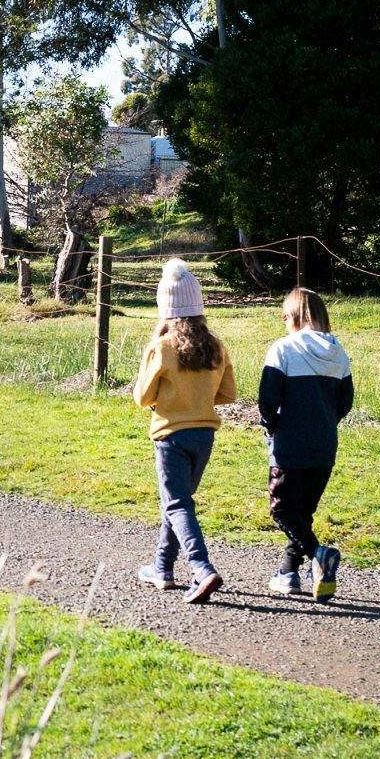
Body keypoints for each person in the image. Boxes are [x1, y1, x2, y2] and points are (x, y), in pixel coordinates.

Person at [132, 258, 238, 603]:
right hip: (204, 435)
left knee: (176, 505)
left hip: (169, 435)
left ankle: (201, 568)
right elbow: (229, 394)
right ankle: (162, 567)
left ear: (165, 307)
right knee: (179, 505)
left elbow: (142, 396)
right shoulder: (216, 347)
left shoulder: (161, 347)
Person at [258, 287, 354, 601]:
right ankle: (288, 573)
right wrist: (324, 422)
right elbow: (345, 402)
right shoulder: (338, 352)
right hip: (324, 445)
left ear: (292, 316)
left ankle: (319, 553)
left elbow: (267, 401)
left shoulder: (282, 349)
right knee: (303, 513)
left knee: (283, 510)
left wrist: (272, 428)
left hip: (289, 445)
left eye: (285, 317)